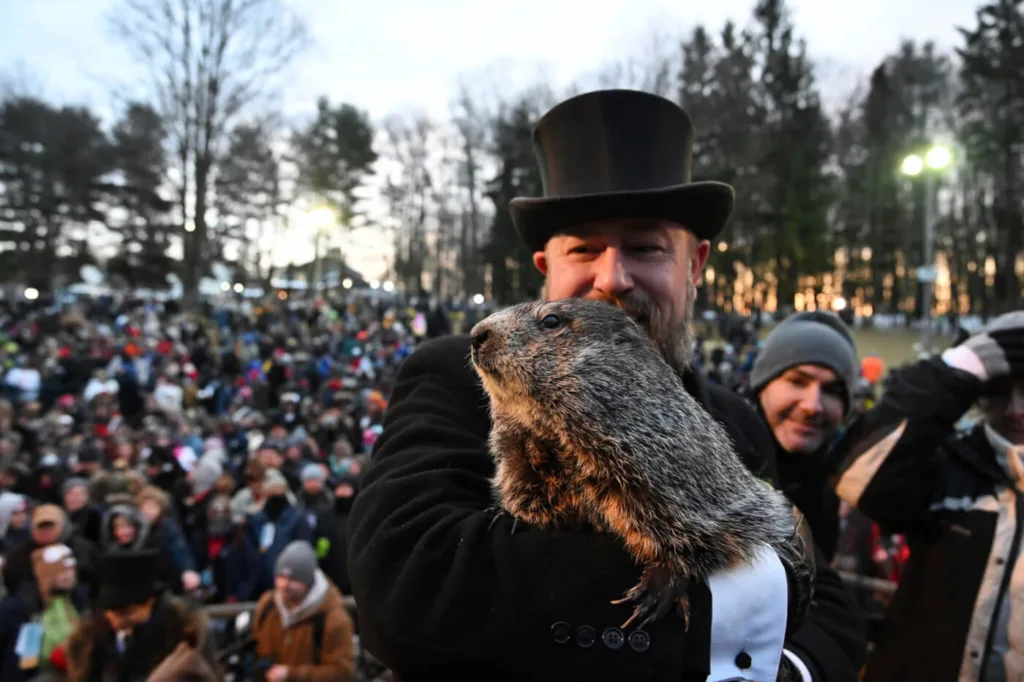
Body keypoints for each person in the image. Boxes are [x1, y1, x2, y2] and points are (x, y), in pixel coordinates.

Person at [348, 89, 865, 682]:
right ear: (548, 269)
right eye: (585, 248)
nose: (614, 278)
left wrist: (790, 669)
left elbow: (822, 592)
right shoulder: (457, 374)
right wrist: (728, 626)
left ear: (693, 266)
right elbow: (410, 585)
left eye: (645, 247)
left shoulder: (734, 418)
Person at [833, 309, 1024, 681]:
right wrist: (959, 366)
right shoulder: (951, 464)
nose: (1016, 410)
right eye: (997, 391)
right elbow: (858, 478)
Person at [748, 311, 859, 561]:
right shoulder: (715, 457)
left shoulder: (840, 484)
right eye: (797, 381)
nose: (813, 405)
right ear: (762, 386)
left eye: (831, 391)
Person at [64, 548, 218, 682]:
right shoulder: (89, 637)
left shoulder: (183, 631)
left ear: (149, 603)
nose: (114, 619)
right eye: (109, 611)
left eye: (126, 612)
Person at [252, 540, 355, 682]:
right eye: (280, 577)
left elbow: (343, 673)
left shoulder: (333, 619)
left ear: (308, 582)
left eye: (293, 579)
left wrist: (292, 674)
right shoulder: (268, 605)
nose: (284, 585)